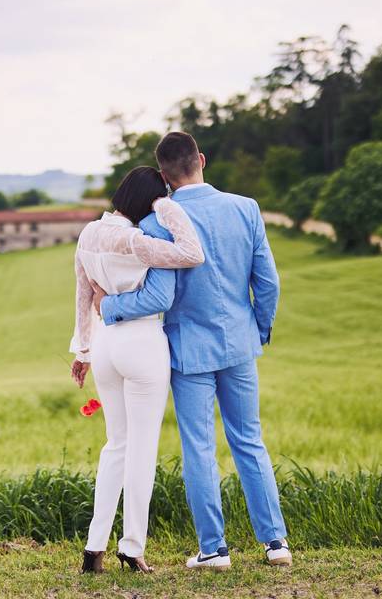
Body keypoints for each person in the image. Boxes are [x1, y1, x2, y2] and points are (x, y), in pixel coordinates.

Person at [91, 132, 291, 570]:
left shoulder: (156, 224)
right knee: (249, 440)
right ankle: (275, 543)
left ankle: (214, 550)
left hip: (188, 351)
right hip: (239, 343)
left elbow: (156, 297)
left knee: (199, 448)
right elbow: (269, 283)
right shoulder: (246, 208)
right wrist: (257, 330)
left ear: (163, 176)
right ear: (201, 159)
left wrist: (109, 306)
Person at [69, 166, 205, 574]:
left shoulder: (88, 234)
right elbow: (192, 253)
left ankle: (94, 548)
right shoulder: (137, 240)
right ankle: (131, 547)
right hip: (142, 341)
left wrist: (83, 350)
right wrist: (168, 208)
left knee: (116, 445)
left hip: (106, 343)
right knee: (141, 450)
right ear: (149, 201)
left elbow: (82, 293)